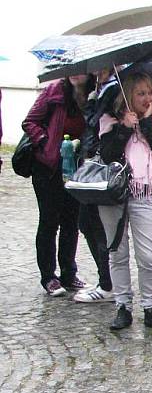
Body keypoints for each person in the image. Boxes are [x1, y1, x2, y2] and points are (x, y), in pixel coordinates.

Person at [97, 72, 152, 332]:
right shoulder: (111, 119)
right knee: (117, 252)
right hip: (115, 196)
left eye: (150, 92)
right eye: (140, 93)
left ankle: (151, 307)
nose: (147, 98)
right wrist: (124, 129)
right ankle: (123, 306)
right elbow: (107, 155)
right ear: (128, 94)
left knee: (148, 255)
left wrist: (146, 124)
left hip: (145, 193)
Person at [22, 75, 95, 296]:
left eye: (80, 69)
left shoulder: (93, 95)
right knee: (49, 221)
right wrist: (46, 142)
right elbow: (29, 121)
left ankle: (69, 273)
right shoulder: (54, 91)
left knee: (71, 221)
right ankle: (49, 277)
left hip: (77, 169)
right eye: (71, 70)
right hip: (49, 168)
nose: (75, 74)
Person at [72, 68, 119, 303]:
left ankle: (108, 283)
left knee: (96, 225)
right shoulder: (102, 88)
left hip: (103, 166)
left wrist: (91, 101)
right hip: (92, 163)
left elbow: (95, 122)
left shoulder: (113, 88)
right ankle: (106, 279)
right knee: (88, 223)